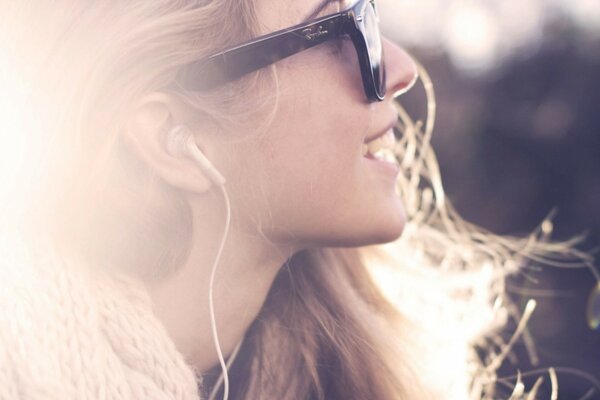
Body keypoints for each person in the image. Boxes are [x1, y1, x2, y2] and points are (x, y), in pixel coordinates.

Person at [0, 0, 579, 399]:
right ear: (175, 139)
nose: (401, 70)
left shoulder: (361, 366)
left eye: (370, 14)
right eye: (341, 32)